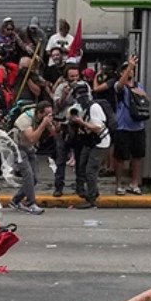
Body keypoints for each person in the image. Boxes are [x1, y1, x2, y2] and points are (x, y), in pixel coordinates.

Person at [68, 80, 110, 209]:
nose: (80, 98)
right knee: (82, 167)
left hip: (100, 142)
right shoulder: (81, 107)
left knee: (90, 170)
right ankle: (92, 192)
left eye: (81, 95)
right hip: (90, 141)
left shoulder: (94, 107)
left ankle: (91, 199)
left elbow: (98, 128)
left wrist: (81, 122)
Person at [112, 55, 149, 195]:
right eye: (125, 70)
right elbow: (120, 85)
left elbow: (146, 99)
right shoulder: (119, 86)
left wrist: (143, 94)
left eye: (131, 69)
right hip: (123, 127)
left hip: (138, 126)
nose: (129, 72)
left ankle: (134, 183)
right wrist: (130, 66)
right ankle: (119, 184)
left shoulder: (139, 85)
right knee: (121, 157)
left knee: (137, 156)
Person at [8, 100, 50, 215]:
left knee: (34, 179)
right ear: (39, 113)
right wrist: (43, 125)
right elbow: (32, 138)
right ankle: (31, 204)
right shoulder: (25, 119)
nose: (48, 117)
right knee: (28, 175)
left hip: (29, 148)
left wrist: (51, 125)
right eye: (47, 115)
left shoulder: (42, 118)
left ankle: (15, 200)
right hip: (18, 147)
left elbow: (54, 133)